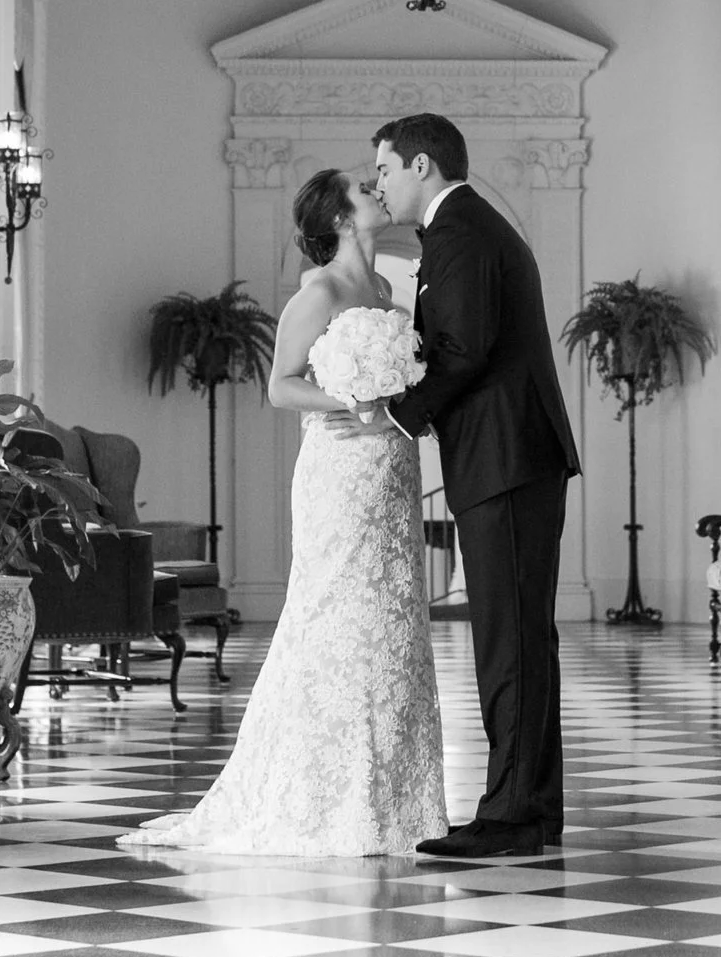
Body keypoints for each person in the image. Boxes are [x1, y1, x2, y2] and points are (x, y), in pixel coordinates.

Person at [117, 168, 446, 856]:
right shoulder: (319, 289)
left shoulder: (386, 288)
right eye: (364, 188)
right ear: (340, 218)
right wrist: (352, 403)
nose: (376, 190)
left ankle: (392, 796)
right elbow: (280, 386)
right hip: (338, 471)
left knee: (391, 618)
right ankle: (323, 793)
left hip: (391, 468)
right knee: (336, 616)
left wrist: (396, 408)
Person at [352, 112, 580, 860]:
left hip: (507, 457)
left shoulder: (462, 231)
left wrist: (395, 409)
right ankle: (530, 805)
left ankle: (512, 815)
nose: (379, 184)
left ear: (421, 165)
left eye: (384, 169)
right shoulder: (466, 228)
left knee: (508, 640)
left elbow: (464, 347)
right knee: (519, 637)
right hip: (511, 456)